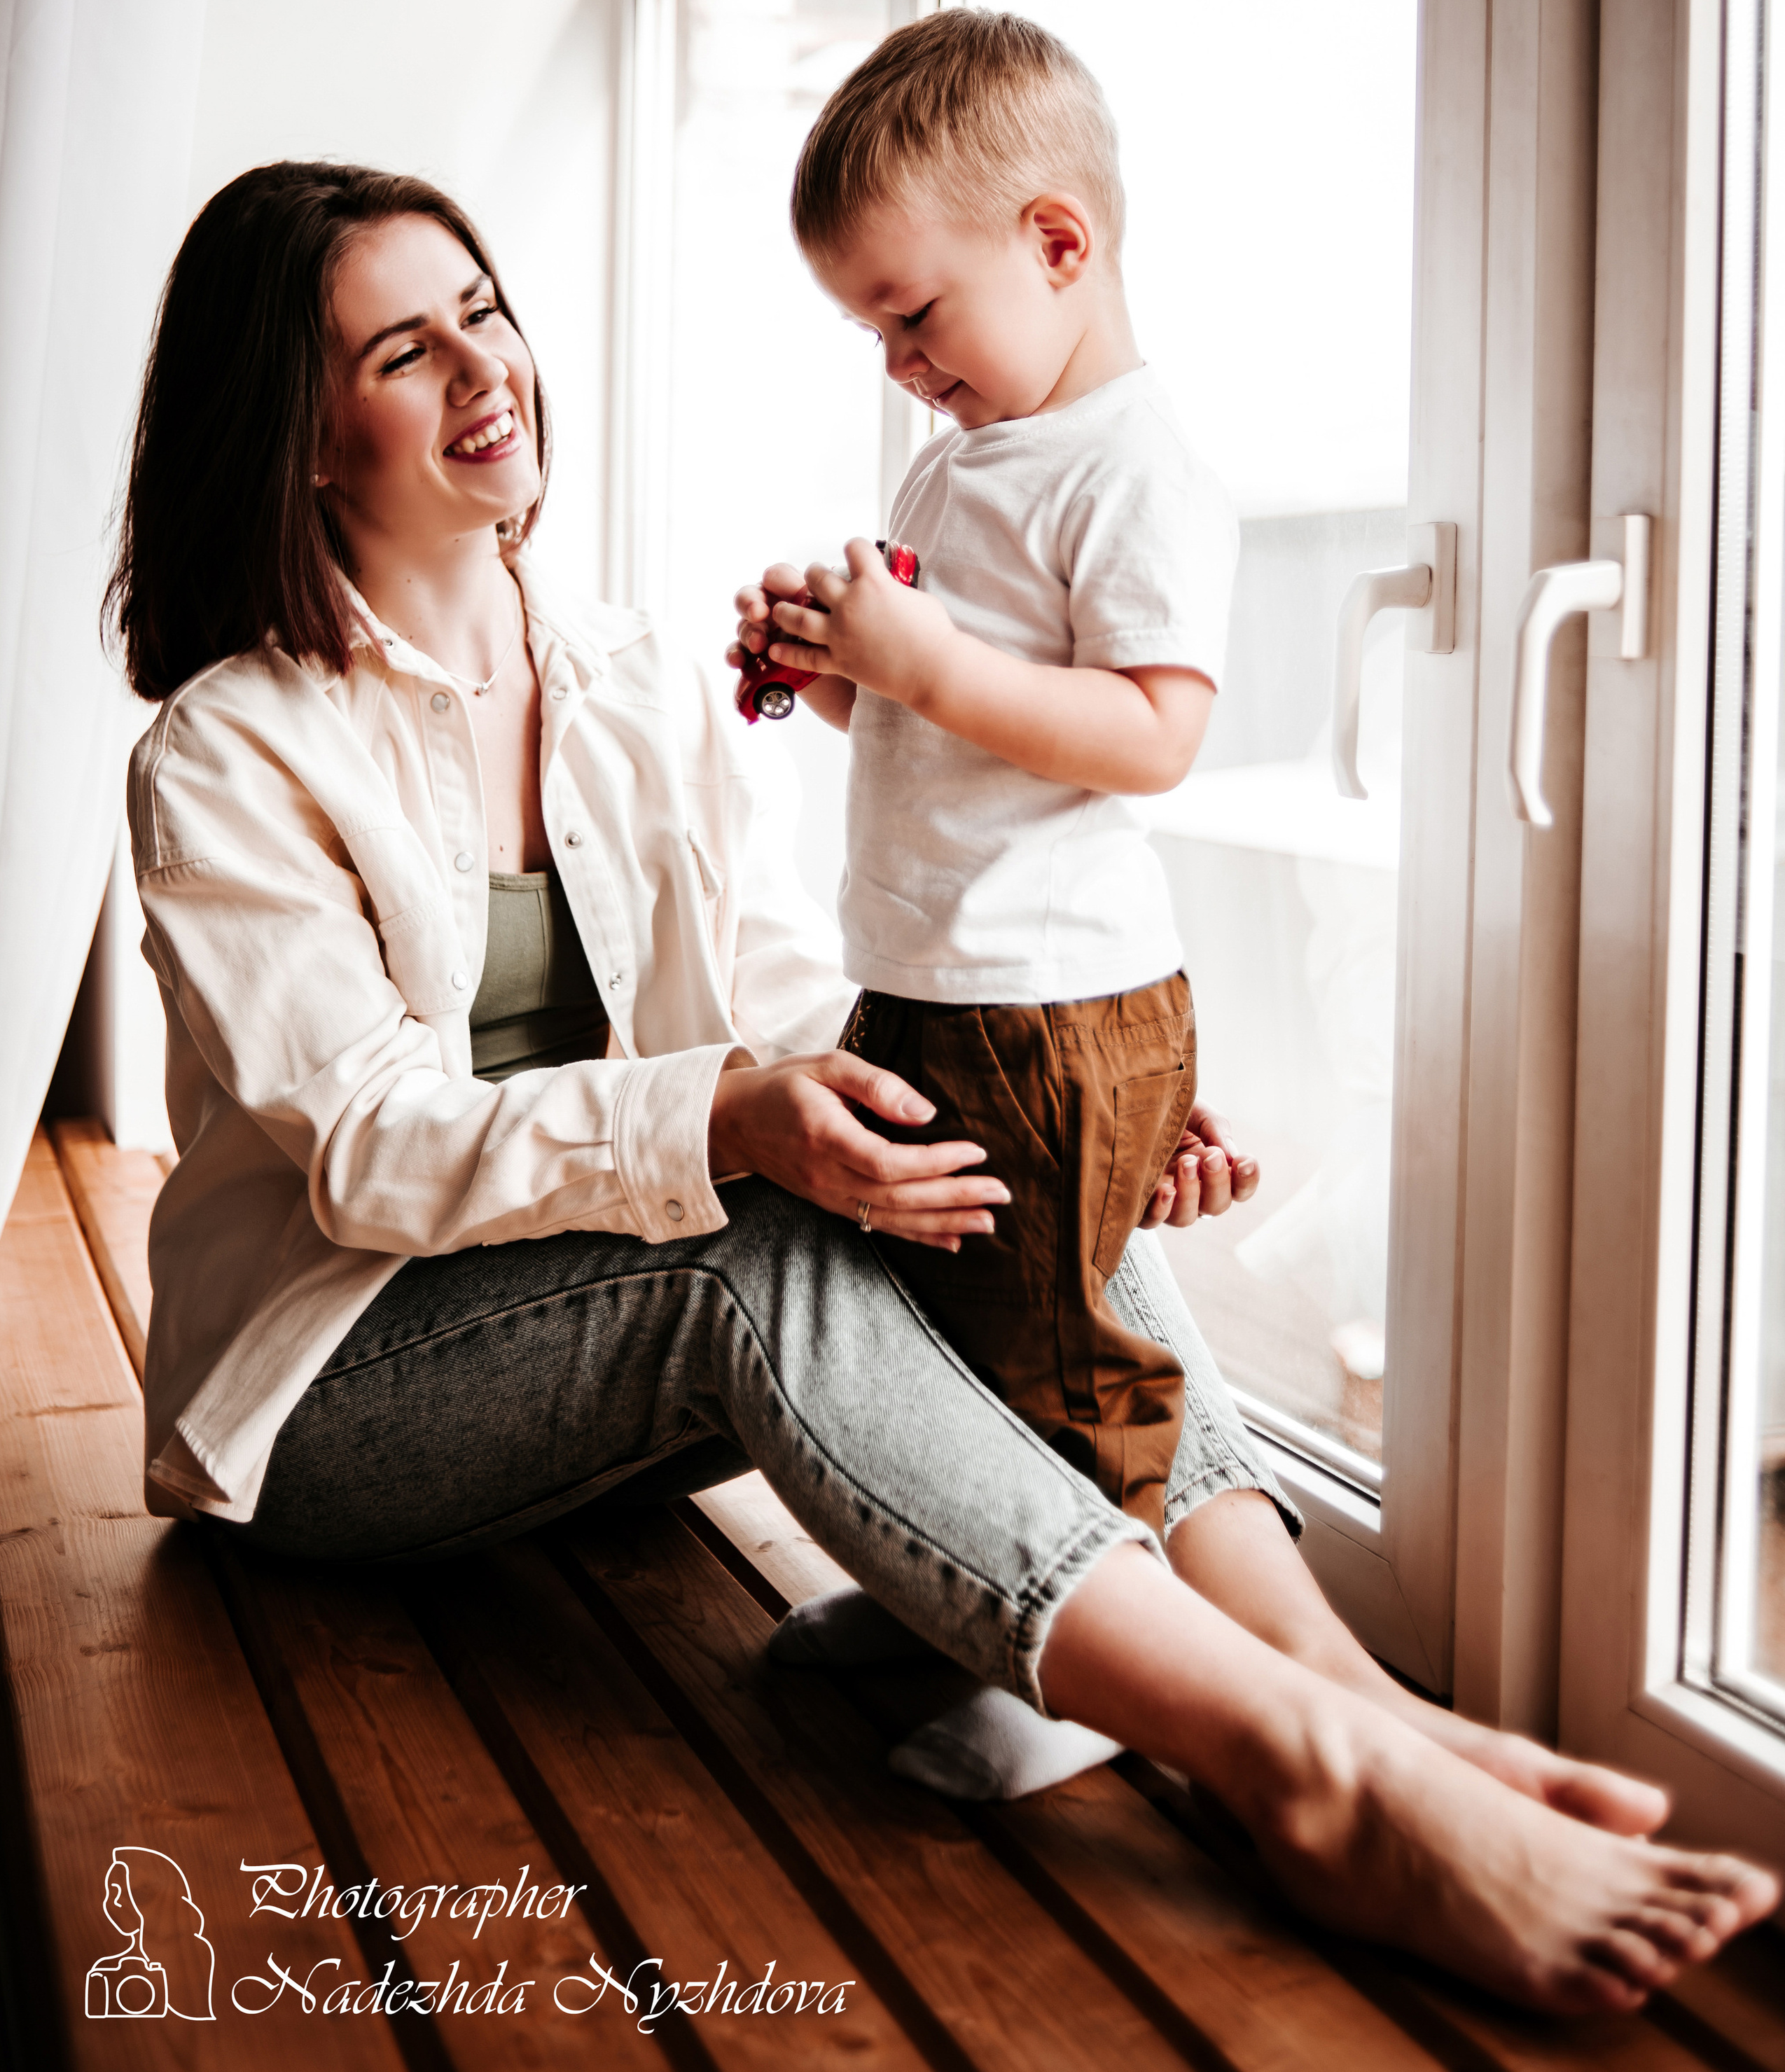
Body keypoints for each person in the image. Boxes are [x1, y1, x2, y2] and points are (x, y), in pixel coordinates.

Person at [107, 158, 1776, 2019]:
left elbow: (772, 994)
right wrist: (735, 1117)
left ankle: (1356, 1701)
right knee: (750, 1245)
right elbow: (363, 1152)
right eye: (405, 350)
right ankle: (1297, 1769)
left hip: (590, 1362)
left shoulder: (623, 674)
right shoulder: (227, 749)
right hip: (338, 1395)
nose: (482, 368)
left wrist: (1053, 1094)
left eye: (483, 312)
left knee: (979, 1119)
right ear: (302, 434)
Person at [734, 10, 1235, 1542]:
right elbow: (945, 736)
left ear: (1058, 244)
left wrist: (929, 664)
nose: (899, 367)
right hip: (941, 978)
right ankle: (970, 1601)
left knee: (1057, 1359)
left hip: (1045, 998)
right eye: (869, 338)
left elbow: (1152, 735)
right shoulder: (960, 460)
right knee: (948, 1327)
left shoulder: (1133, 467)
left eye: (913, 317)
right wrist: (844, 680)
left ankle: (1086, 1625)